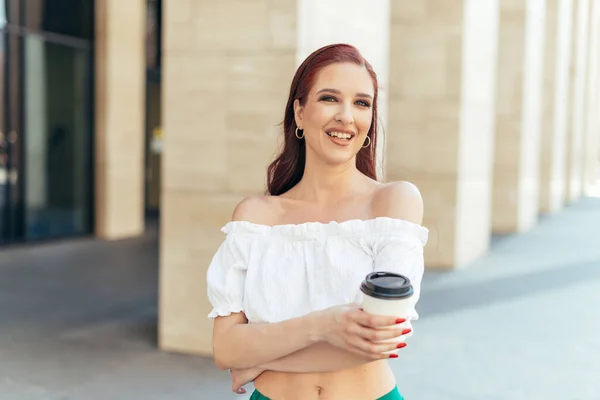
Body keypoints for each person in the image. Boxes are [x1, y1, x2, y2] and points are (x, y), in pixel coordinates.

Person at [206, 43, 428, 400]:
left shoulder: (392, 202)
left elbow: (380, 340)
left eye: (361, 103)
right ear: (299, 111)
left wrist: (260, 358)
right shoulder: (255, 216)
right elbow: (226, 349)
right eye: (329, 98)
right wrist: (326, 325)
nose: (346, 116)